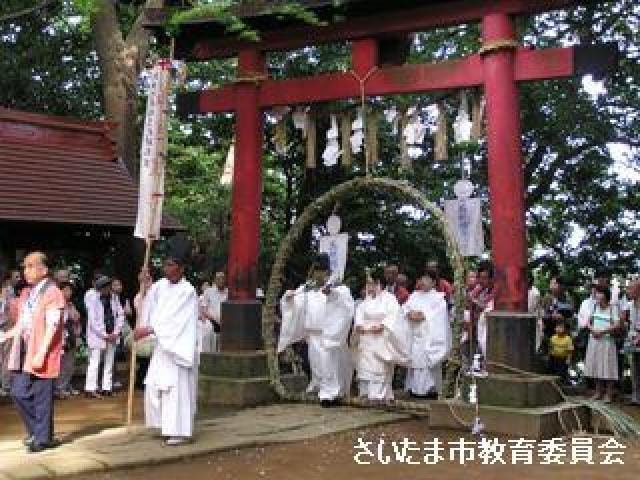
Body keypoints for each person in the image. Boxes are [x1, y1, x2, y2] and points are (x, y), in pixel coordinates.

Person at [134, 246, 199, 446]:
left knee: (175, 389)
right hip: (163, 347)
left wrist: (151, 329)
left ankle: (179, 430)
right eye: (165, 264)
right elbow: (148, 304)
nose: (166, 268)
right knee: (155, 385)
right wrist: (144, 285)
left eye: (170, 265)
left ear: (181, 268)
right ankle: (164, 425)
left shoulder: (188, 291)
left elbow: (175, 321)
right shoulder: (161, 286)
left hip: (178, 347)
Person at [0, 252, 65, 453]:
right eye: (25, 266)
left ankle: (42, 437)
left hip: (42, 349)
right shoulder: (27, 293)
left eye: (30, 266)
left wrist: (42, 352)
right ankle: (40, 432)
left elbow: (53, 326)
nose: (25, 270)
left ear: (44, 270)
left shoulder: (53, 292)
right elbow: (22, 323)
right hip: (24, 348)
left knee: (42, 396)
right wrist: (7, 334)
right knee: (18, 392)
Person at [278, 253, 355, 407]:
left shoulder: (338, 288)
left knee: (329, 364)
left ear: (327, 272)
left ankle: (331, 393)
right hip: (313, 333)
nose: (318, 274)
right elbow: (296, 305)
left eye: (321, 271)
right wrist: (289, 299)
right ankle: (320, 388)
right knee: (316, 364)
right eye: (316, 271)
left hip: (329, 334)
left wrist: (333, 295)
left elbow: (347, 306)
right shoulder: (307, 288)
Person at [351, 269, 409, 401]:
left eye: (372, 284)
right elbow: (359, 313)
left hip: (381, 337)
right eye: (367, 284)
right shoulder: (365, 301)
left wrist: (383, 325)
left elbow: (394, 315)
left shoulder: (389, 298)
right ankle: (365, 393)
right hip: (366, 337)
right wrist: (359, 325)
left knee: (379, 368)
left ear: (379, 284)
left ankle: (379, 395)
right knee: (365, 367)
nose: (369, 287)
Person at [403, 269, 450, 398]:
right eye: (422, 279)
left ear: (434, 282)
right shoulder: (414, 295)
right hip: (415, 334)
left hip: (428, 335)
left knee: (426, 363)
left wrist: (424, 315)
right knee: (415, 362)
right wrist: (409, 313)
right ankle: (414, 388)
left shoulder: (438, 298)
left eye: (427, 279)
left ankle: (429, 388)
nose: (423, 282)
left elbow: (437, 316)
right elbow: (406, 308)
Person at [85, 276, 125, 398]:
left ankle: (106, 387)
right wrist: (104, 334)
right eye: (104, 287)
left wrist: (116, 332)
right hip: (98, 335)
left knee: (109, 361)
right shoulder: (93, 298)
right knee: (95, 362)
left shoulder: (114, 298)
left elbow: (120, 314)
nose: (107, 289)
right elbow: (93, 320)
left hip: (112, 333)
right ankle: (90, 388)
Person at [583, 285, 620, 403]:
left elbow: (617, 324)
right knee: (596, 365)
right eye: (596, 293)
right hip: (594, 340)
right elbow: (587, 322)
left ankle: (609, 394)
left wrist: (602, 331)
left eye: (599, 293)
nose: (597, 295)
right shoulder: (594, 307)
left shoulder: (612, 308)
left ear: (605, 295)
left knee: (608, 366)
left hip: (607, 341)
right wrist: (593, 329)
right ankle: (598, 392)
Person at [54, 281, 82, 398]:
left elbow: (76, 318)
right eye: (65, 290)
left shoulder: (70, 304)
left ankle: (65, 385)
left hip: (71, 336)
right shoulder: (56, 304)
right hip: (60, 336)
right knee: (62, 364)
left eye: (69, 290)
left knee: (69, 364)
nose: (68, 292)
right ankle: (59, 388)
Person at [468, 261, 495, 358]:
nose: (481, 281)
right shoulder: (482, 289)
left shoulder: (497, 291)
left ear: (492, 278)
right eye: (479, 277)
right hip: (477, 328)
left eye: (484, 278)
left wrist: (477, 303)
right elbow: (469, 299)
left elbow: (489, 308)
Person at [201, 272, 228, 353]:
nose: (220, 280)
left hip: (226, 320)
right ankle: (208, 354)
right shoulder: (208, 292)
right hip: (211, 319)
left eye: (222, 278)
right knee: (208, 330)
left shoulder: (229, 292)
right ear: (215, 280)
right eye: (218, 278)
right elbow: (204, 309)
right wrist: (213, 319)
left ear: (225, 280)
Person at [623, 278, 640, 405]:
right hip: (634, 340)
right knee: (634, 368)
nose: (627, 291)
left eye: (630, 288)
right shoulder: (631, 305)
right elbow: (631, 325)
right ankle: (636, 397)